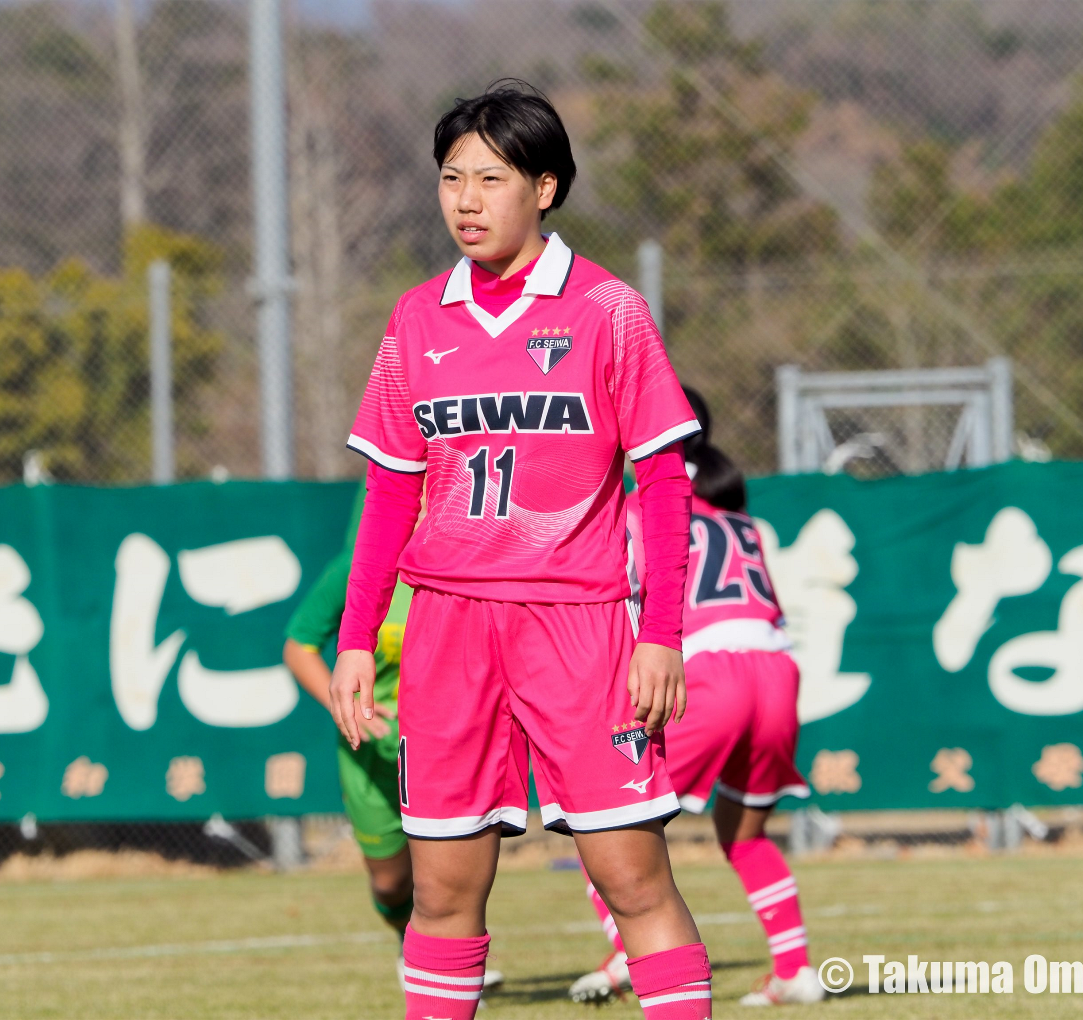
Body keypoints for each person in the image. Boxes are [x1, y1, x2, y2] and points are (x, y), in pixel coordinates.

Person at [330, 80, 715, 1020]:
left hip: (578, 629)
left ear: (544, 187)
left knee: (634, 881)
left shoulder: (608, 312)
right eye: (451, 178)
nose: (465, 200)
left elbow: (662, 482)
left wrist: (661, 632)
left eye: (490, 179)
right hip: (448, 632)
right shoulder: (417, 320)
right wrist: (355, 636)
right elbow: (390, 493)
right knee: (445, 894)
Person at [568, 387, 825, 1007]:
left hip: (706, 674)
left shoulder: (636, 506)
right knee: (745, 834)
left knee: (604, 826)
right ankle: (795, 969)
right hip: (775, 671)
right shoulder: (740, 520)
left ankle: (635, 953)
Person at [282, 487, 502, 993]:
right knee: (390, 881)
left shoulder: (466, 558)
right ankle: (412, 945)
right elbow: (299, 645)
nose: (428, 499)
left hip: (446, 747)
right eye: (417, 490)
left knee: (445, 876)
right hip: (372, 754)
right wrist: (347, 705)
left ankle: (446, 964)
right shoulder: (357, 566)